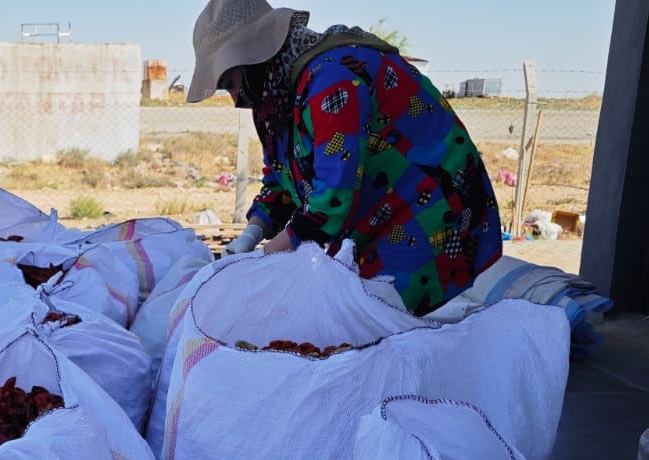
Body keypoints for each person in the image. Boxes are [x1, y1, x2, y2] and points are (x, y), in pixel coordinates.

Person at [189, 1, 504, 316]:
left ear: (256, 57)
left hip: (429, 213)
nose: (234, 100)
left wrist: (267, 257)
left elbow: (332, 196)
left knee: (379, 323)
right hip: (375, 216)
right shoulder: (277, 98)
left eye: (230, 84)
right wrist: (252, 234)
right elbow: (280, 176)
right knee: (346, 313)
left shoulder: (333, 78)